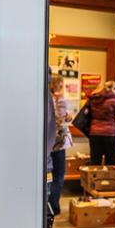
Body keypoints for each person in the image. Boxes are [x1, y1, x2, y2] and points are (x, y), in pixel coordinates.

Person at [48, 73, 72, 215]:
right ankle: (53, 206)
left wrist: (67, 115)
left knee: (48, 175)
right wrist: (66, 117)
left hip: (47, 142)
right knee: (58, 175)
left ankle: (48, 204)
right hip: (58, 142)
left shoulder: (44, 97)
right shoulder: (59, 99)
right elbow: (59, 120)